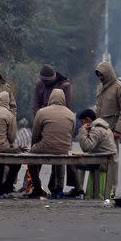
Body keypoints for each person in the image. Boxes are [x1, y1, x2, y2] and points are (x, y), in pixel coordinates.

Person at [31, 64, 80, 195]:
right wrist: (42, 119)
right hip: (42, 123)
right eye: (43, 81)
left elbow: (67, 108)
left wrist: (47, 115)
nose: (45, 83)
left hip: (56, 127)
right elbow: (35, 105)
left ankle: (56, 187)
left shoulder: (65, 86)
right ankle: (31, 185)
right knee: (54, 151)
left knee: (55, 158)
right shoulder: (39, 84)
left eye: (47, 81)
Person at [26, 89, 75, 198]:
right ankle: (58, 189)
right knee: (62, 158)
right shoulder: (71, 114)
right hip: (63, 148)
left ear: (50, 98)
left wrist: (35, 146)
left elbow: (35, 134)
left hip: (45, 146)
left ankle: (37, 187)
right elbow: (71, 132)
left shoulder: (42, 112)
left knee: (30, 159)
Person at [94, 61, 121, 197]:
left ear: (108, 73)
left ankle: (112, 188)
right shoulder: (100, 87)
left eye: (102, 75)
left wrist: (118, 131)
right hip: (98, 129)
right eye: (99, 75)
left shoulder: (120, 88)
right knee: (97, 160)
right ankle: (98, 189)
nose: (101, 78)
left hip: (112, 130)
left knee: (113, 160)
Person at [77, 108, 118, 199]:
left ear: (87, 120)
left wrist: (83, 132)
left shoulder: (97, 130)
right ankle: (79, 189)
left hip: (103, 162)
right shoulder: (105, 128)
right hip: (108, 160)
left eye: (82, 122)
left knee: (75, 164)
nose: (81, 124)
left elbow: (86, 147)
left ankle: (78, 189)